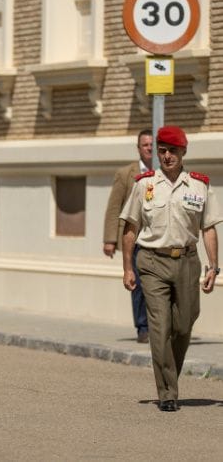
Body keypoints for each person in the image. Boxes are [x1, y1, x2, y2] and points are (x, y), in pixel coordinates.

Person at [120, 125, 222, 412]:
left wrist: (214, 266)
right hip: (152, 262)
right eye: (162, 151)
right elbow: (130, 228)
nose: (166, 156)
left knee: (184, 323)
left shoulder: (199, 185)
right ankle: (167, 393)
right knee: (160, 326)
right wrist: (128, 267)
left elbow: (209, 228)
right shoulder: (144, 184)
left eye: (172, 151)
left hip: (188, 262)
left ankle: (169, 375)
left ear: (183, 152)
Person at [103, 129, 153, 343]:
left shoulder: (166, 171)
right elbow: (114, 207)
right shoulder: (126, 174)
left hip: (160, 239)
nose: (149, 148)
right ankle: (143, 327)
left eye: (153, 144)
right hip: (135, 239)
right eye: (145, 145)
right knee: (138, 283)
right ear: (138, 148)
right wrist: (110, 239)